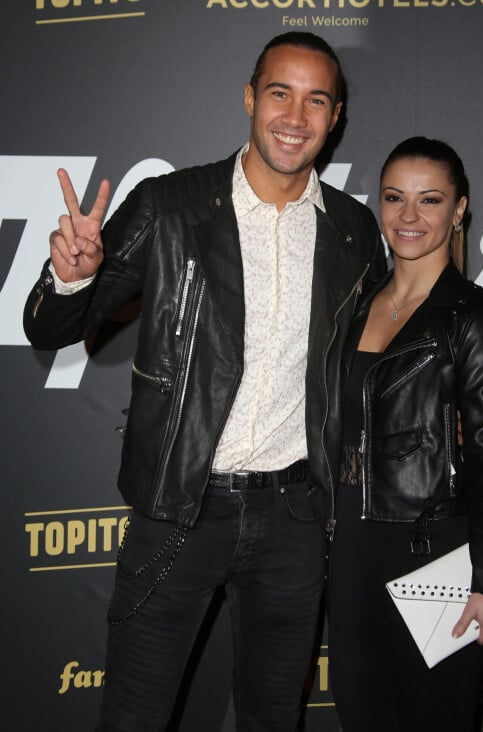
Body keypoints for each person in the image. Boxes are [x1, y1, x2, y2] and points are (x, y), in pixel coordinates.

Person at [23, 32, 385, 732]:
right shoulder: (168, 207)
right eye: (280, 92)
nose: (295, 115)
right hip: (177, 510)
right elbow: (52, 329)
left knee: (273, 718)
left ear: (334, 117)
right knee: (134, 716)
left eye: (316, 100)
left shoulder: (351, 230)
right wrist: (72, 274)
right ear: (250, 98)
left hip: (294, 520)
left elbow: (366, 363)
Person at [327, 136, 483, 731]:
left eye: (429, 199)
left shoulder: (473, 316)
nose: (409, 216)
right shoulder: (354, 304)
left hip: (434, 552)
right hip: (351, 551)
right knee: (361, 717)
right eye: (394, 198)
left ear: (458, 209)